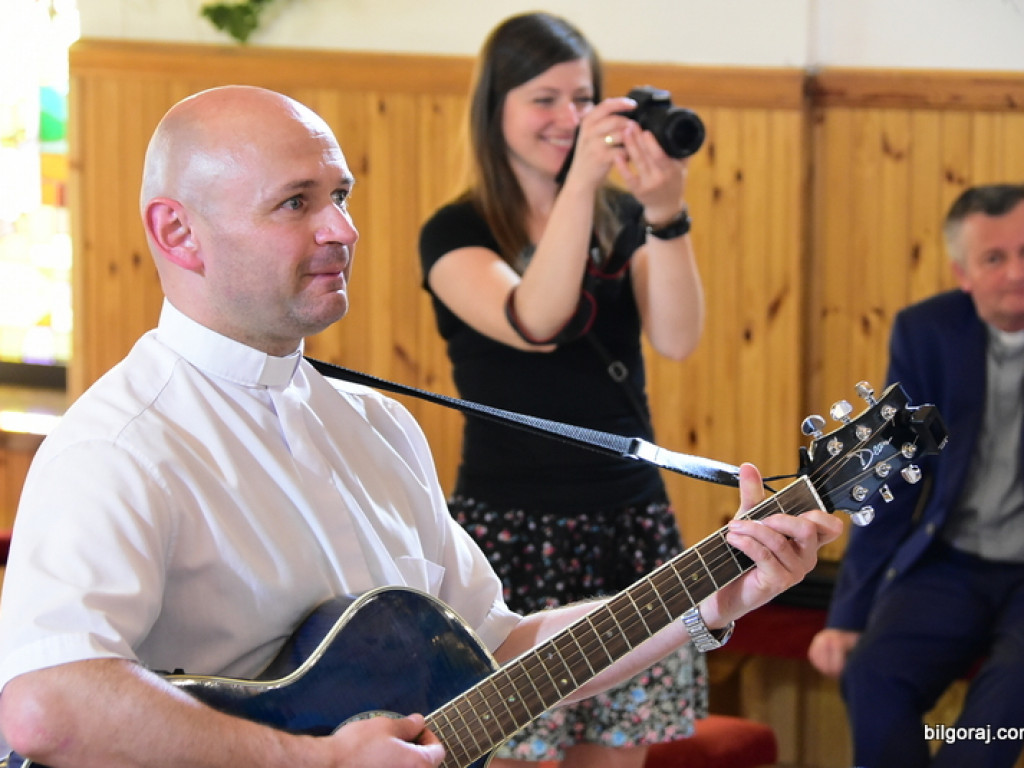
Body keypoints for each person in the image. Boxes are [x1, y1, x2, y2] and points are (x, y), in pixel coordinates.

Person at [0, 85, 840, 768]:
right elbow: (45, 705)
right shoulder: (118, 447)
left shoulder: (378, 426)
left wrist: (711, 596)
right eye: (295, 203)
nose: (343, 230)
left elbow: (496, 649)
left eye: (340, 196)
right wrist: (316, 761)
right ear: (178, 232)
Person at [418, 12, 708, 768]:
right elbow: (536, 319)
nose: (568, 118)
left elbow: (679, 337)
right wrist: (581, 183)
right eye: (543, 99)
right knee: (513, 753)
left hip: (629, 524)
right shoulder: (456, 231)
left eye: (583, 99)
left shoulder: (619, 218)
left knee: (616, 753)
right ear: (497, 109)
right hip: (513, 535)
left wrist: (665, 215)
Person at [807, 183, 1024, 768]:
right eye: (994, 258)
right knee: (872, 676)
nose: (1016, 273)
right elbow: (891, 476)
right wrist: (848, 615)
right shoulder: (927, 332)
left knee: (998, 715)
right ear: (963, 274)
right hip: (951, 562)